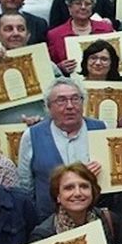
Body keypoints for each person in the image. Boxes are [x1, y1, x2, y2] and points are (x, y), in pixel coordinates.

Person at [15, 80, 104, 208]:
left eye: (75, 99)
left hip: (95, 216)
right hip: (49, 219)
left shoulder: (101, 128)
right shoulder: (32, 135)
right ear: (48, 107)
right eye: (61, 100)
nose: (70, 106)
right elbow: (25, 184)